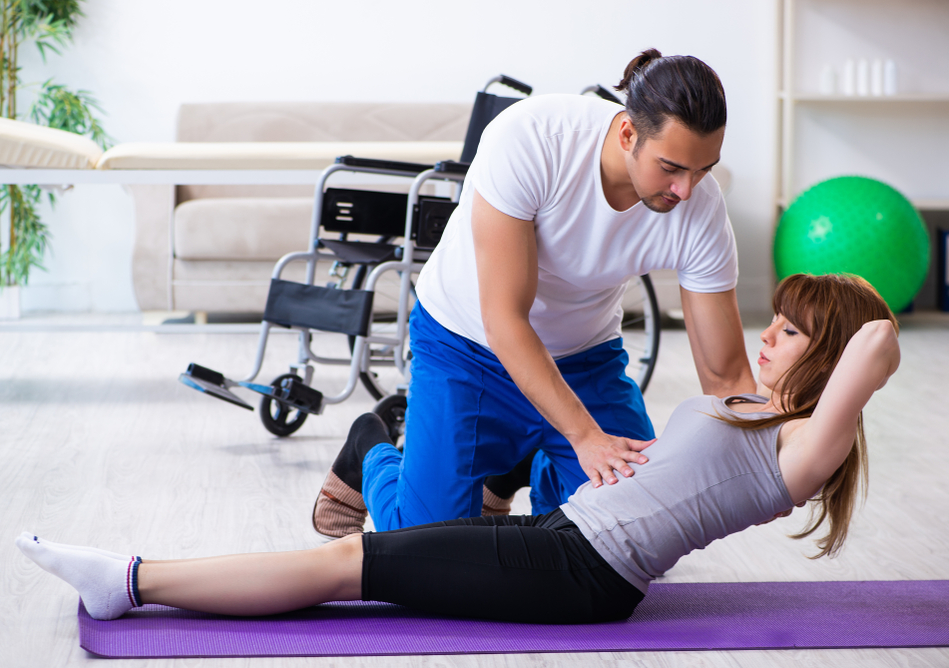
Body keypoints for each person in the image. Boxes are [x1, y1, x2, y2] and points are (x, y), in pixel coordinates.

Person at [18, 274, 900, 625]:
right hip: (568, 541)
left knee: (345, 565)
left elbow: (878, 347)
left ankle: (129, 580)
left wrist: (857, 322)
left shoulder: (801, 450)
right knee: (354, 562)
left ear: (825, 357)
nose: (769, 338)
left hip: (580, 572)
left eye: (791, 333)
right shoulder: (746, 405)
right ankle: (133, 577)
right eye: (775, 323)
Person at [312, 48, 756, 539]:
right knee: (425, 542)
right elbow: (505, 320)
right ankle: (369, 450)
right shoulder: (533, 140)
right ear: (628, 133)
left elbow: (725, 374)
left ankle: (531, 460)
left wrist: (782, 458)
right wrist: (586, 438)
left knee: (635, 531)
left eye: (703, 169)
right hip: (467, 347)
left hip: (585, 359)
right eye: (671, 167)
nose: (686, 191)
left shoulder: (701, 209)